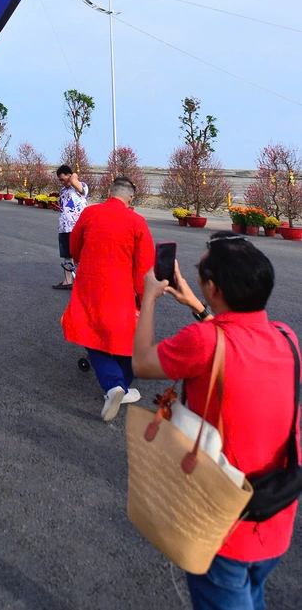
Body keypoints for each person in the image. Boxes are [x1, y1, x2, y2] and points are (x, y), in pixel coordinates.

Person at [133, 232, 300, 610]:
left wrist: (148, 297)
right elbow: (232, 336)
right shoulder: (287, 338)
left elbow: (142, 362)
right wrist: (195, 301)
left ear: (215, 289)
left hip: (221, 525)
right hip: (273, 515)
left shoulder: (202, 342)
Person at [61, 176, 154, 420]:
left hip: (90, 285)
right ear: (131, 198)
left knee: (91, 333)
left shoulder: (91, 213)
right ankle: (119, 385)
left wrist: (82, 260)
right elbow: (144, 266)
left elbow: (74, 246)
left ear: (109, 192)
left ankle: (114, 386)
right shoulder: (137, 222)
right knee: (127, 337)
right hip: (122, 289)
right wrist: (144, 298)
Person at [52, 164, 89, 288]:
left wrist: (73, 177)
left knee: (81, 254)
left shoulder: (81, 186)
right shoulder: (63, 191)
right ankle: (68, 280)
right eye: (60, 180)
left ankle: (84, 281)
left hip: (77, 227)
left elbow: (74, 181)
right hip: (64, 227)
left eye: (63, 179)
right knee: (66, 254)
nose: (62, 182)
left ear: (70, 176)